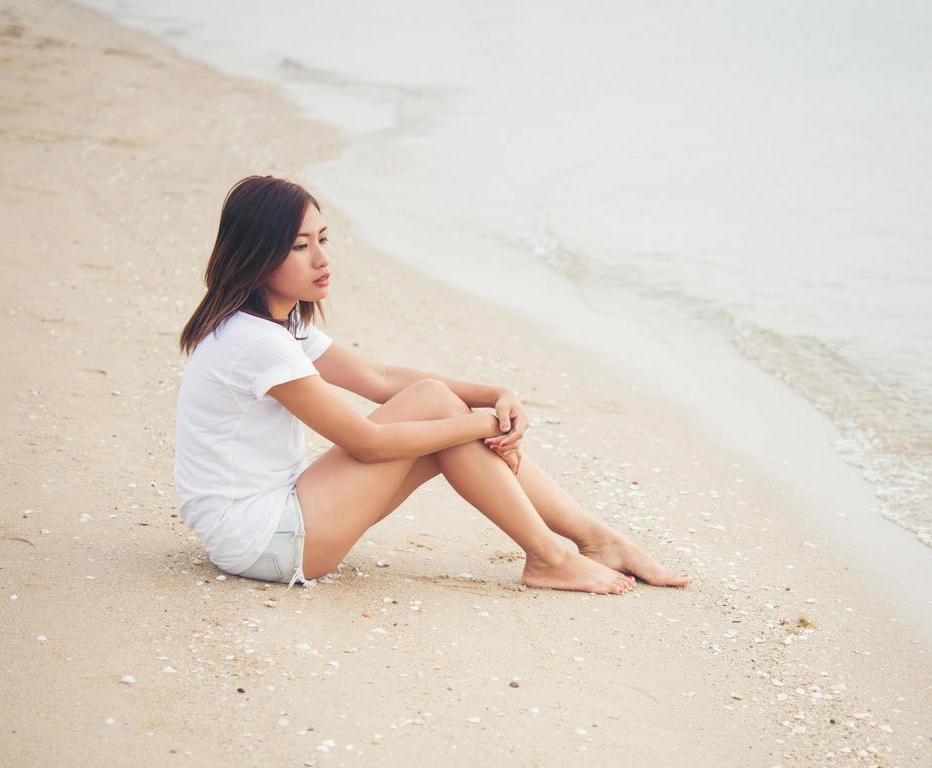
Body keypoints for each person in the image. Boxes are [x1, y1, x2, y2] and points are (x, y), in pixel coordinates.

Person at [173, 175, 691, 595]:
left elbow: (379, 378)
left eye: (324, 240)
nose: (323, 259)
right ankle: (553, 556)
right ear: (257, 254)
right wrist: (482, 421)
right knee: (444, 415)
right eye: (299, 247)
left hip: (274, 524)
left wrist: (492, 394)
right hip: (265, 541)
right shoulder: (253, 341)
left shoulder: (278, 325)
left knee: (438, 407)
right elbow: (367, 443)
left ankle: (593, 541)